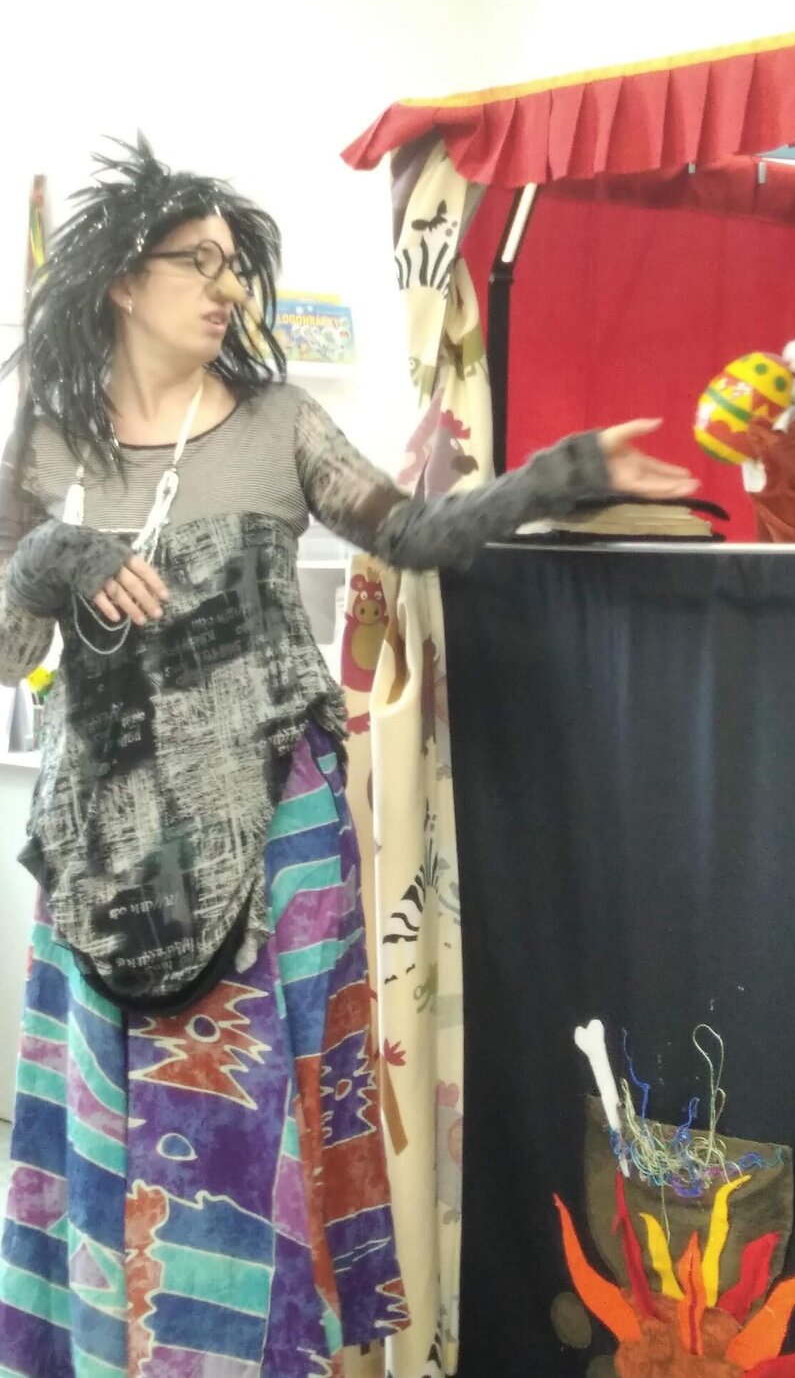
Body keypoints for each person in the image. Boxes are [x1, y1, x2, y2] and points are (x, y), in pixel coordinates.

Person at [0, 138, 698, 1376]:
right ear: (123, 280)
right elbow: (10, 649)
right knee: (120, 1120)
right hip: (108, 853)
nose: (227, 288)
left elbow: (415, 532)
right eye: (198, 263)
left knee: (277, 1103)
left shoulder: (280, 423)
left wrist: (564, 473)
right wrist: (53, 557)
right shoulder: (51, 441)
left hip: (279, 830)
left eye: (236, 266)